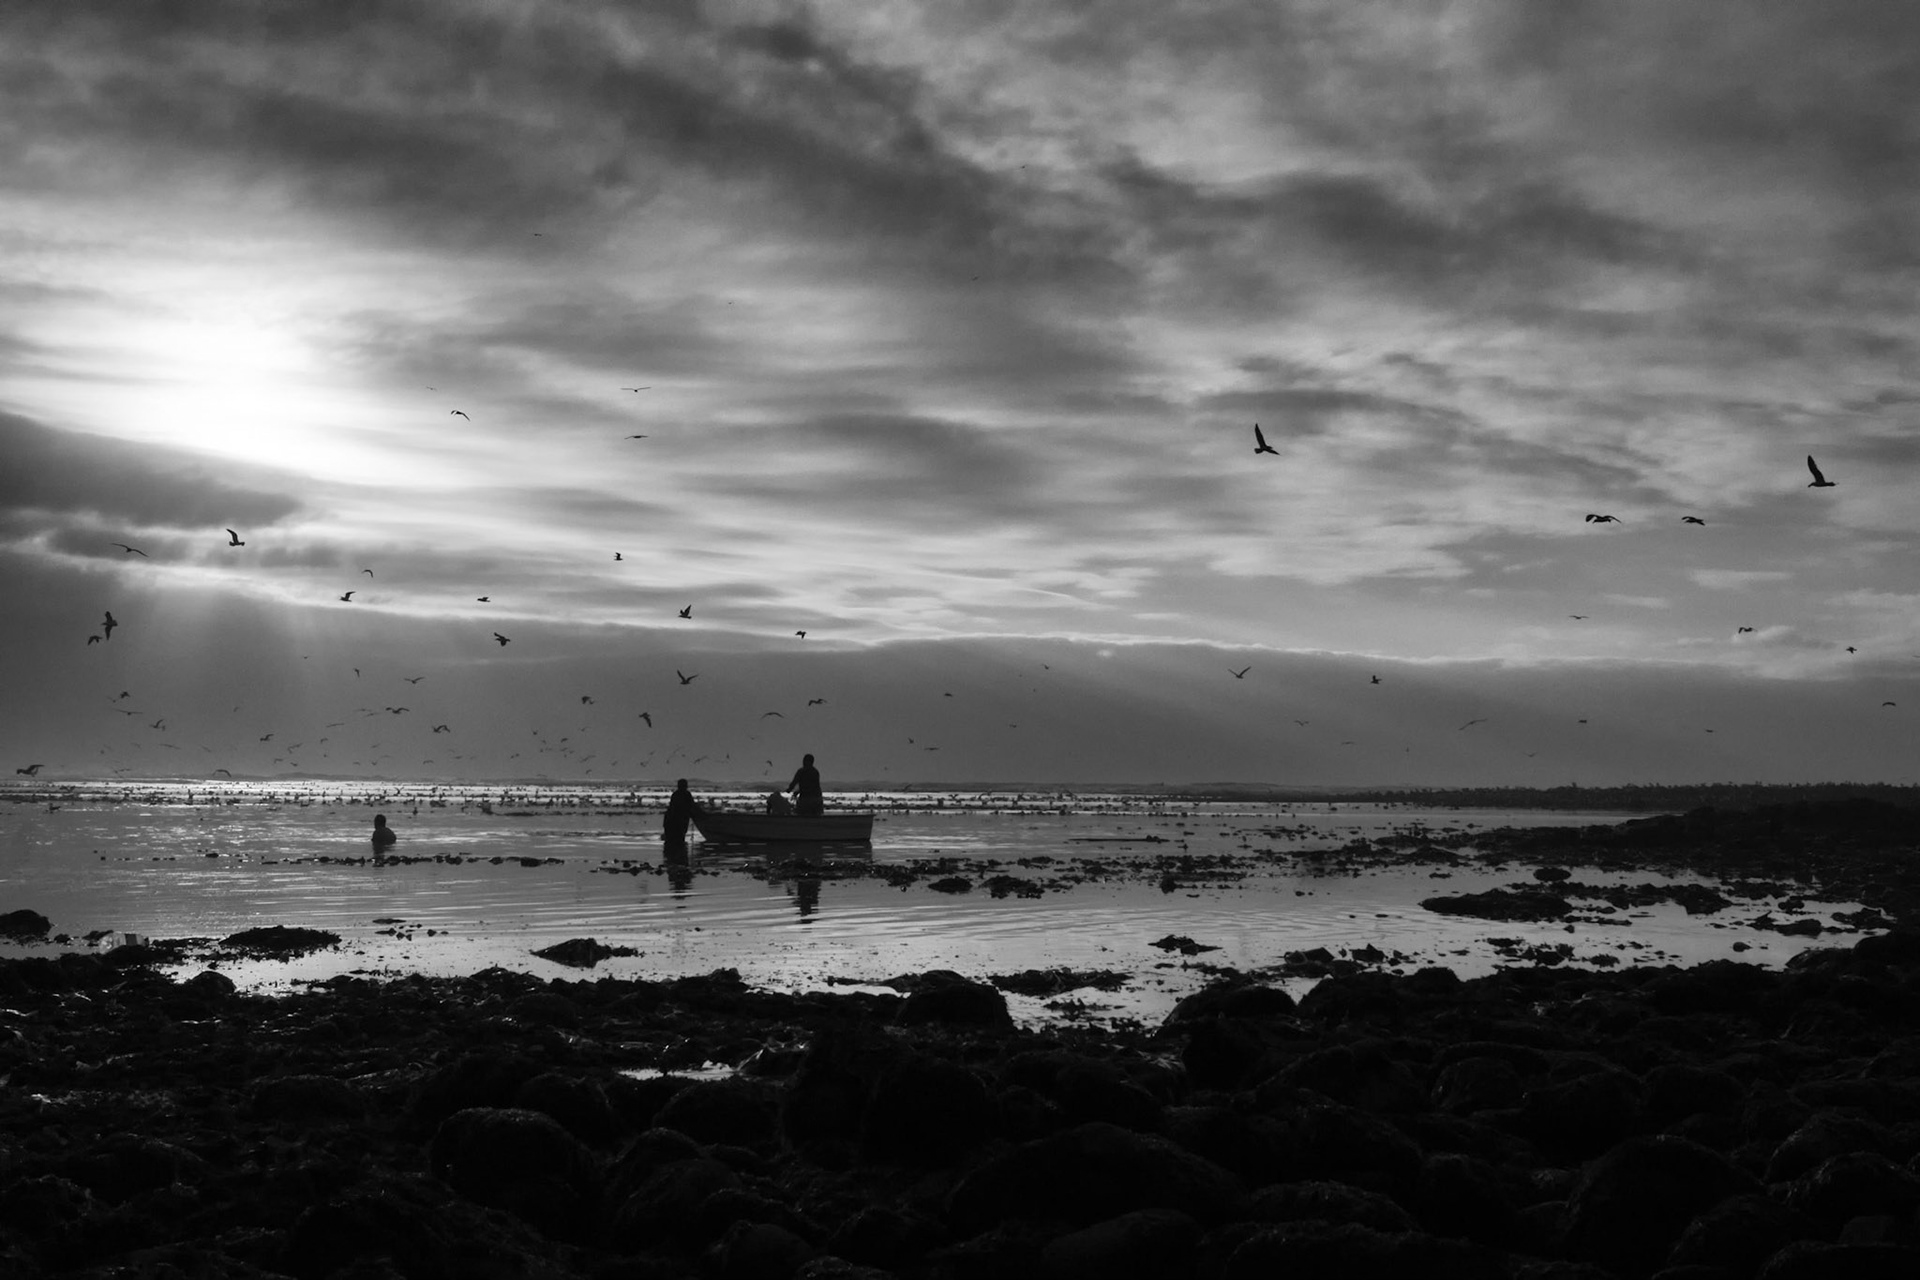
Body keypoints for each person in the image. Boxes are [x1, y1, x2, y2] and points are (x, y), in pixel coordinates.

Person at [787, 753, 823, 817]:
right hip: (817, 798)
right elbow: (813, 786)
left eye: (804, 761)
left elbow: (795, 782)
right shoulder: (815, 772)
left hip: (807, 799)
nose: (803, 762)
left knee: (801, 814)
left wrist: (789, 789)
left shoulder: (801, 771)